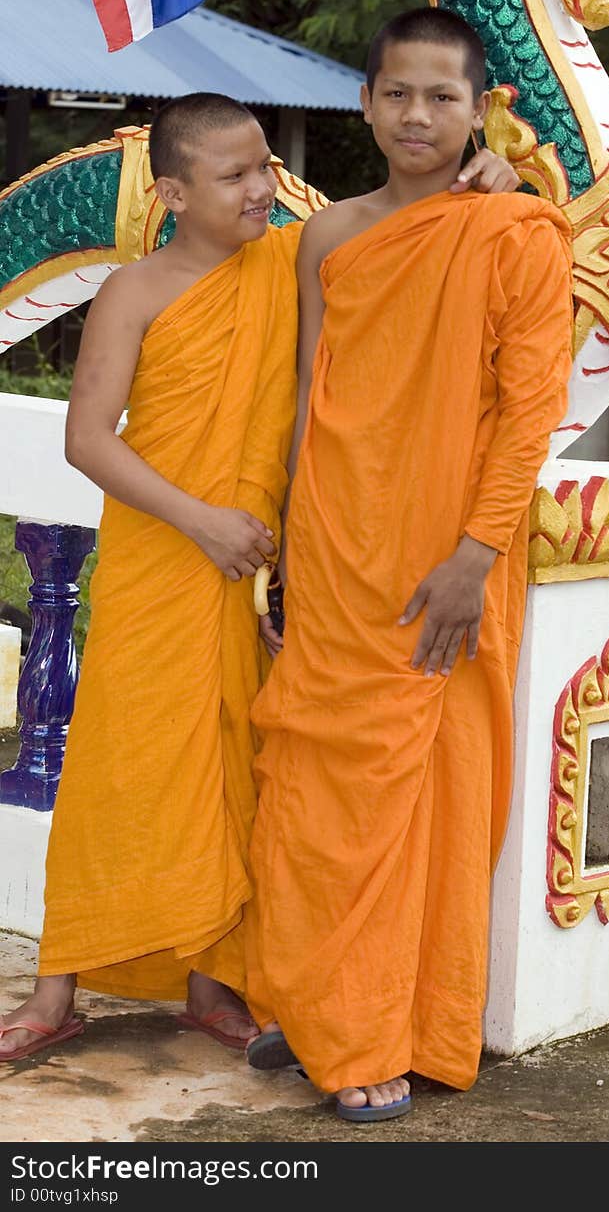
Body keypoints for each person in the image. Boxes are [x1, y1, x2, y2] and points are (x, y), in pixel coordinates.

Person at [0, 90, 519, 1061]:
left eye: (264, 168)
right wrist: (199, 522)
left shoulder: (294, 263)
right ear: (171, 191)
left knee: (243, 770)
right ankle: (55, 988)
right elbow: (84, 440)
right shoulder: (136, 291)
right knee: (121, 767)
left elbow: (399, 228)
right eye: (234, 175)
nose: (262, 188)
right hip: (166, 554)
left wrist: (487, 177)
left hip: (267, 562)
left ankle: (210, 982)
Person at [243, 7, 574, 1120]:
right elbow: (307, 394)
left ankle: (390, 1025)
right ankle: (320, 998)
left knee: (425, 794)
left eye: (442, 96)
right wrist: (288, 539)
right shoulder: (330, 235)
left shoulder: (514, 232)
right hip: (336, 547)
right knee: (311, 779)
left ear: (478, 109)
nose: (417, 115)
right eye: (397, 93)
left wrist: (476, 552)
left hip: (448, 554)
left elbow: (532, 411)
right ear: (365, 103)